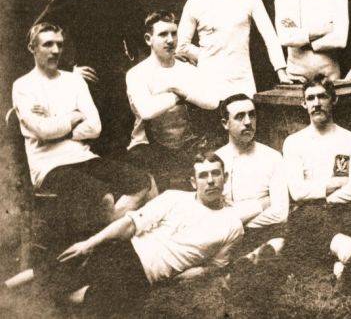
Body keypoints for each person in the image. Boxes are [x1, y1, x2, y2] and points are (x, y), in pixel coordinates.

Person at [41, 150, 243, 315]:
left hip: (146, 278)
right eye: (203, 175)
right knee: (63, 273)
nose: (210, 181)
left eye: (215, 174)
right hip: (124, 252)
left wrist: (196, 273)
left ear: (224, 178)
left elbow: (216, 265)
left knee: (95, 300)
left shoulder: (233, 225)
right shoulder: (174, 198)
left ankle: (61, 299)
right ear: (193, 182)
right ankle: (41, 287)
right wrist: (90, 243)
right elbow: (130, 223)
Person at [12, 22, 155, 236]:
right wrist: (74, 116)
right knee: (104, 198)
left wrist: (56, 123)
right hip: (49, 166)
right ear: (32, 48)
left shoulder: (74, 81)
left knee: (143, 182)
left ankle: (109, 236)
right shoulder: (23, 86)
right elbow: (43, 131)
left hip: (83, 157)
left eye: (59, 44)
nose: (55, 50)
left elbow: (94, 127)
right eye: (48, 44)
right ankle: (113, 237)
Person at [36, 0, 145, 156]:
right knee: (100, 144)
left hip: (123, 78)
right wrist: (67, 68)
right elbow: (39, 33)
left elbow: (141, 32)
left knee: (125, 142)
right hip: (91, 82)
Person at [282, 75, 351, 295]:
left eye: (322, 96)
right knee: (310, 219)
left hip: (345, 212)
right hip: (308, 214)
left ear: (334, 100)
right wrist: (331, 186)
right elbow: (297, 192)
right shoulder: (293, 142)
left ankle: (344, 267)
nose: (317, 103)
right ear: (303, 103)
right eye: (311, 98)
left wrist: (318, 194)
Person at [177, 0, 290, 99]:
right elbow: (181, 46)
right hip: (209, 82)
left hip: (242, 81)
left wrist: (281, 71)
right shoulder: (195, 1)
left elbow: (270, 37)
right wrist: (209, 57)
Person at [126, 11, 220, 191]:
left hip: (186, 144)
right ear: (148, 39)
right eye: (163, 34)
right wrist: (178, 95)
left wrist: (182, 92)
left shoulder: (188, 70)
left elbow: (213, 102)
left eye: (174, 33)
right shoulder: (137, 74)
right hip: (147, 146)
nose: (170, 40)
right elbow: (147, 111)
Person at [216, 93, 289, 255]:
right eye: (240, 116)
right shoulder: (216, 160)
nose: (248, 122)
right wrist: (262, 204)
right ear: (225, 123)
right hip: (223, 239)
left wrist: (237, 223)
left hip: (263, 233)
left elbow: (280, 213)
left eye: (252, 115)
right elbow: (211, 214)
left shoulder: (272, 157)